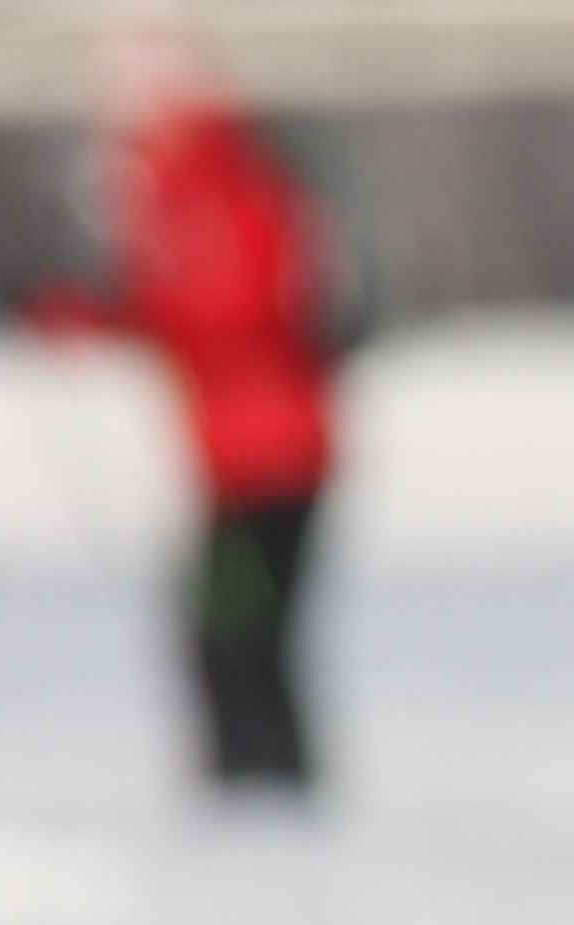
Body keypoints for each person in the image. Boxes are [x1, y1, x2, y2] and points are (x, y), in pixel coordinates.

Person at [26, 33, 340, 789]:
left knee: (238, 636)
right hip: (234, 455)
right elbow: (172, 310)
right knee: (227, 634)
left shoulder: (220, 190)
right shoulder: (182, 192)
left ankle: (269, 799)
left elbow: (221, 311)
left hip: (271, 454)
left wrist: (99, 316)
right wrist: (76, 317)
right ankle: (254, 793)